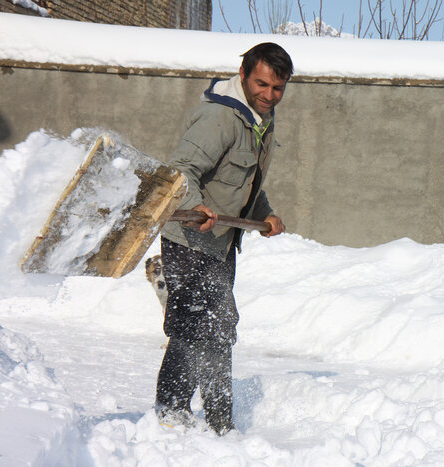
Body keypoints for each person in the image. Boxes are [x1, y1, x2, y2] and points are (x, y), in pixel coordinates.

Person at [154, 42, 293, 435]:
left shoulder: (260, 120)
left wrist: (264, 213)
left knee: (203, 325)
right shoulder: (221, 118)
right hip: (189, 237)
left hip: (221, 241)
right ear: (244, 74)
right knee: (210, 325)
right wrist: (197, 205)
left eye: (278, 88)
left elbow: (245, 183)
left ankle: (183, 411)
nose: (269, 94)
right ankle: (203, 418)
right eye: (261, 84)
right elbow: (180, 169)